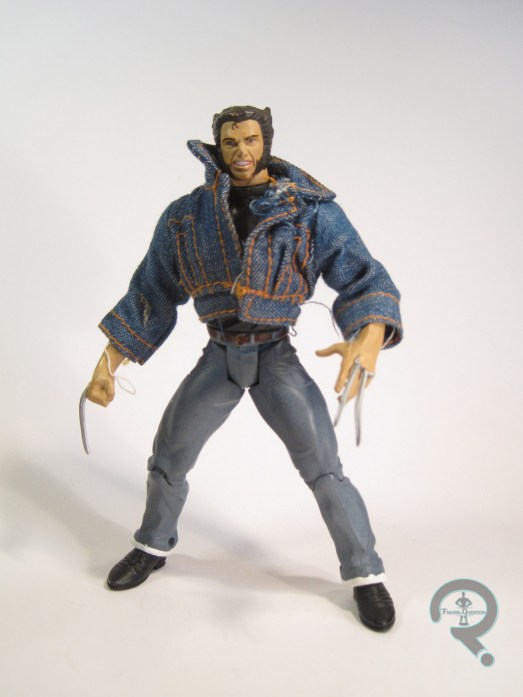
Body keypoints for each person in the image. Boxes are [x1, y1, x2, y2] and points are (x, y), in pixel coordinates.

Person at [87, 105, 403, 632]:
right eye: (231, 142)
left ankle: (365, 573)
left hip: (276, 357)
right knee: (168, 456)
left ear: (266, 143)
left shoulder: (307, 210)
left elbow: (364, 276)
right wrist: (106, 365)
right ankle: (152, 545)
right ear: (217, 146)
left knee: (324, 468)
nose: (241, 151)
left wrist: (368, 336)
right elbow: (151, 292)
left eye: (251, 140)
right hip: (219, 357)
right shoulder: (186, 217)